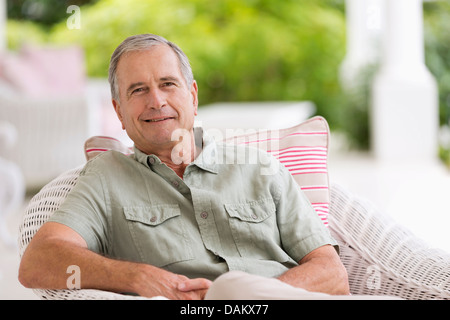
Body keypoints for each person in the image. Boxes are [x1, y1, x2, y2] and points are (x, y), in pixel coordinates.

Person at [18, 34, 351, 300]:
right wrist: (136, 276)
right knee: (230, 289)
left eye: (167, 83)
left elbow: (332, 274)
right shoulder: (106, 176)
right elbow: (38, 262)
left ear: (192, 96)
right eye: (138, 90)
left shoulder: (259, 167)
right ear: (119, 112)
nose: (156, 100)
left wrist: (257, 296)